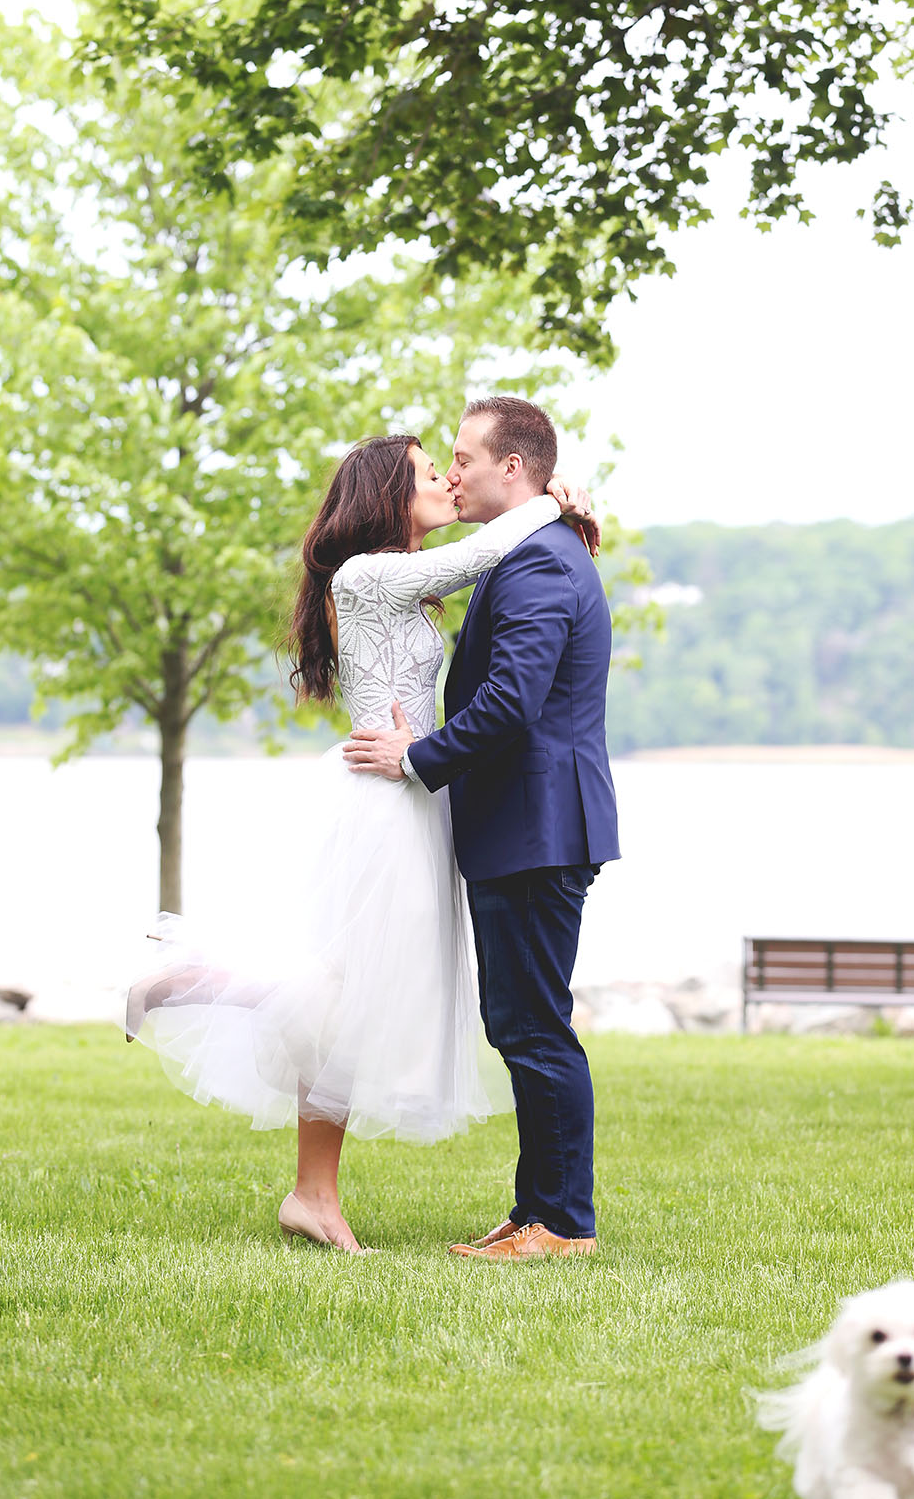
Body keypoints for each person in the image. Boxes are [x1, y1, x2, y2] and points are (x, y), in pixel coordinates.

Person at [125, 431, 594, 1253]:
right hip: (382, 796)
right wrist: (556, 503)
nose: (448, 480)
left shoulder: (399, 588)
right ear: (385, 494)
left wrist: (549, 508)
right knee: (338, 988)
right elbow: (478, 551)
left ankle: (314, 1195)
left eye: (452, 465)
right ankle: (181, 980)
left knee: (352, 998)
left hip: (411, 791)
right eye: (427, 472)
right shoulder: (369, 573)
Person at [343, 396, 619, 1262]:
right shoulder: (532, 550)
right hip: (524, 825)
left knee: (534, 1028)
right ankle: (537, 1207)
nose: (452, 472)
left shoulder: (540, 563)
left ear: (513, 468)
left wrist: (415, 761)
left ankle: (562, 1222)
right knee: (523, 1024)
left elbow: (510, 701)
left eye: (463, 457)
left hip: (537, 826)